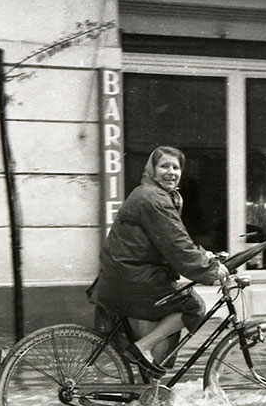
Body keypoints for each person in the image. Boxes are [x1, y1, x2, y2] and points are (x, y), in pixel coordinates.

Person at [89, 146, 229, 375]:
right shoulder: (153, 198)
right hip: (136, 279)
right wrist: (210, 271)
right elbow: (176, 244)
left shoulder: (151, 194)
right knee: (193, 306)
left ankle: (148, 391)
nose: (171, 172)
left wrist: (205, 255)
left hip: (126, 277)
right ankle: (143, 349)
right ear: (152, 170)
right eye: (164, 166)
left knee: (156, 346)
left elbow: (171, 240)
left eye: (176, 167)